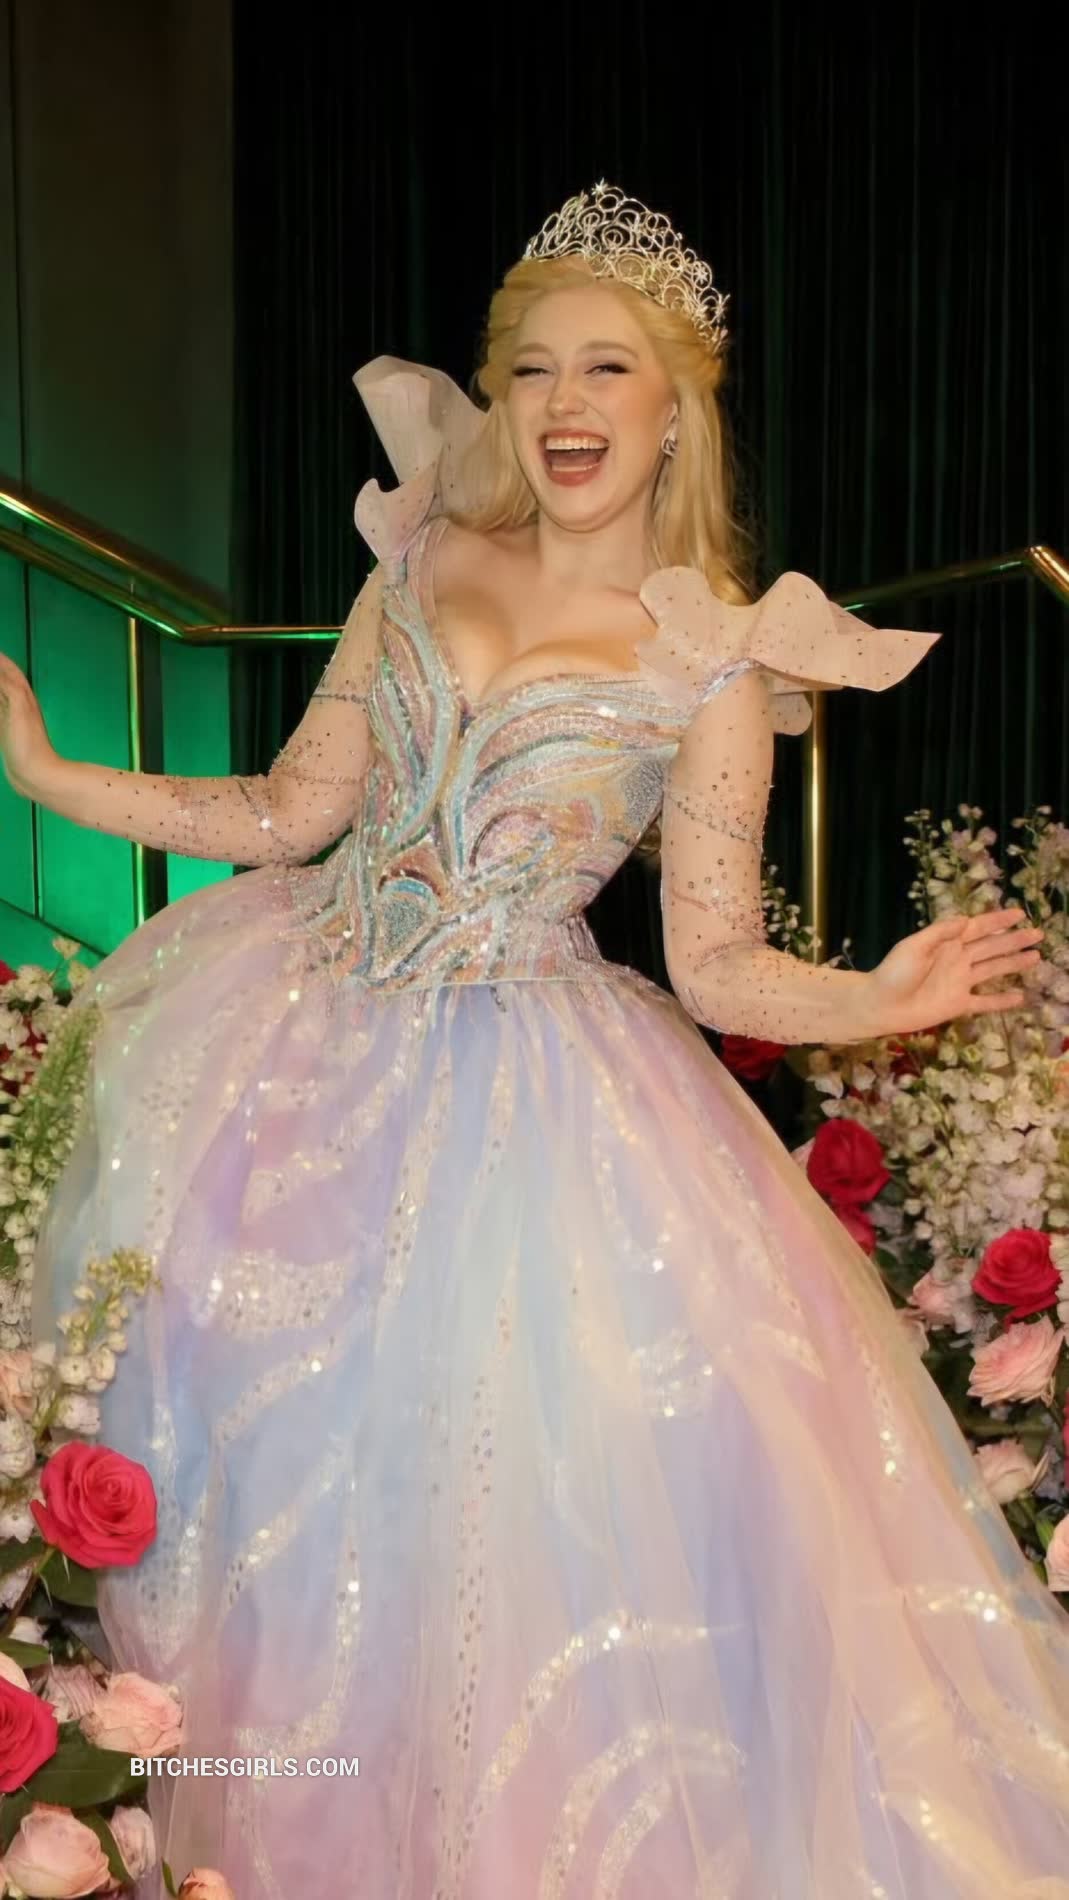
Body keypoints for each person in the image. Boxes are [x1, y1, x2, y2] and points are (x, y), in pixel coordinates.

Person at [2, 182, 1067, 1898]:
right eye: (535, 369)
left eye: (608, 368)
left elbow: (714, 964)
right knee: (276, 1509)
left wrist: (876, 997)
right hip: (288, 1052)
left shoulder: (712, 658)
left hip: (530, 1119)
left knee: (497, 1532)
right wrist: (54, 777)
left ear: (675, 408)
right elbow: (289, 810)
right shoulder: (422, 558)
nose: (567, 405)